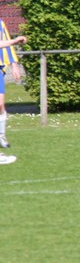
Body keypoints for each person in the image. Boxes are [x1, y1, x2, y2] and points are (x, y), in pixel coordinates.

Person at [0, 17, 28, 161]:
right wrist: (15, 41)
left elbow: (5, 42)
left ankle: (1, 134)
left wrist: (14, 64)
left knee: (0, 105)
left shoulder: (0, 23)